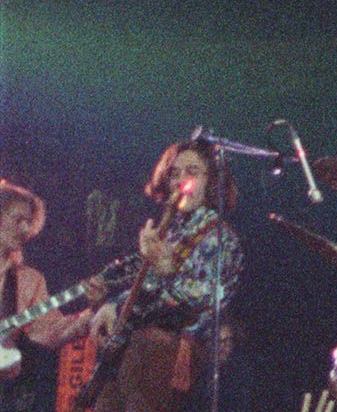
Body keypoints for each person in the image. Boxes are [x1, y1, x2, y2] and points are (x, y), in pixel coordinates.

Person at [87, 138, 243, 411]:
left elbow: (200, 298)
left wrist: (159, 274)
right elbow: (143, 283)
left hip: (175, 351)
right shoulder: (172, 232)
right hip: (139, 350)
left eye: (192, 171)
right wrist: (110, 302)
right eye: (174, 173)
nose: (180, 180)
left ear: (212, 182)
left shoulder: (217, 236)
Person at [0, 180, 101, 411]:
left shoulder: (29, 280)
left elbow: (47, 333)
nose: (26, 229)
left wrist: (93, 310)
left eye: (29, 222)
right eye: (18, 220)